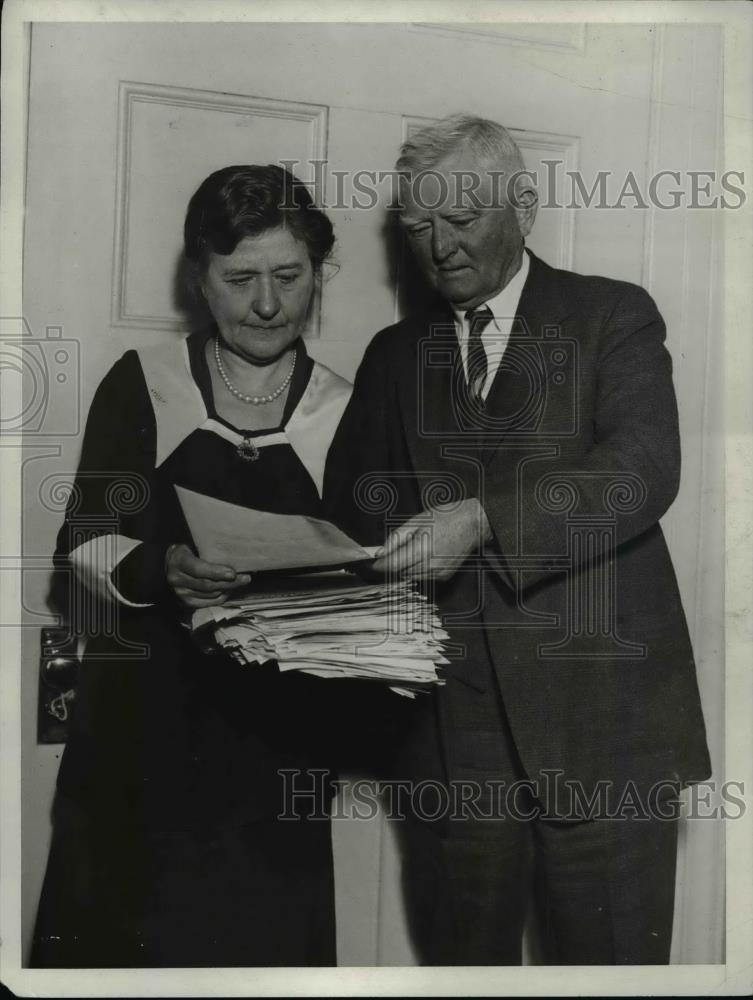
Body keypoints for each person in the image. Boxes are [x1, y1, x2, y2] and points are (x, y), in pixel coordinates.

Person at [325, 114, 712, 965]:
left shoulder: (612, 316)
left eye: (462, 219)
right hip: (451, 746)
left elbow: (641, 470)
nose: (439, 248)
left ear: (522, 208)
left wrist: (482, 520)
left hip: (605, 732)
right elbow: (350, 520)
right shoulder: (393, 356)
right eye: (418, 226)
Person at [31, 165, 353, 967]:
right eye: (239, 279)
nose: (267, 304)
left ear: (317, 273)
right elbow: (80, 543)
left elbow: (365, 583)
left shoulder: (347, 409)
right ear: (197, 279)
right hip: (136, 741)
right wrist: (160, 569)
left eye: (290, 276)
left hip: (275, 756)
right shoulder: (143, 384)